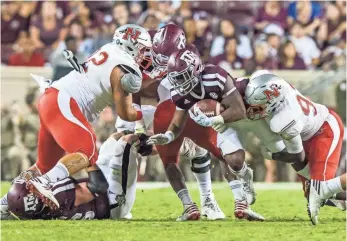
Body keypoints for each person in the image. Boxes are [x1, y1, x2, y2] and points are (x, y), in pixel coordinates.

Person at [0, 24, 152, 215]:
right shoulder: (125, 68)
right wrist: (146, 113)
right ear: (131, 45)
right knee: (85, 151)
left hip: (52, 98)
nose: (145, 54)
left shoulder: (109, 49)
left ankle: (4, 204)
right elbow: (125, 113)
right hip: (64, 101)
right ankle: (44, 183)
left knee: (44, 165)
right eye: (143, 49)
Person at [147, 47, 264, 221]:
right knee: (233, 159)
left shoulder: (215, 76)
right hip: (218, 121)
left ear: (196, 69)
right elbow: (178, 120)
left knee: (246, 157)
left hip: (242, 113)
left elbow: (239, 110)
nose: (179, 82)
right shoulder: (179, 91)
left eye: (182, 76)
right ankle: (239, 202)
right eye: (176, 78)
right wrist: (169, 135)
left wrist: (213, 120)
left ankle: (244, 188)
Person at [137, 24, 227, 221]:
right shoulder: (152, 53)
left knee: (201, 150)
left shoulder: (187, 57)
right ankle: (196, 203)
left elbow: (146, 88)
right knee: (171, 156)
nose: (159, 59)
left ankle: (206, 200)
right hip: (166, 109)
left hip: (185, 107)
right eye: (158, 53)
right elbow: (140, 89)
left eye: (164, 54)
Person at [244, 70, 345, 224]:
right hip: (306, 133)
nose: (252, 110)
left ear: (272, 102)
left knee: (321, 189)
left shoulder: (284, 119)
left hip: (324, 130)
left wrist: (272, 155)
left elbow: (297, 157)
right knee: (316, 191)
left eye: (258, 107)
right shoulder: (271, 83)